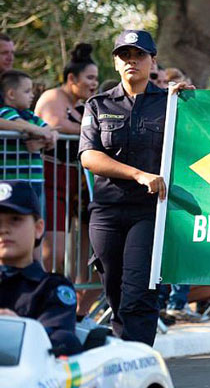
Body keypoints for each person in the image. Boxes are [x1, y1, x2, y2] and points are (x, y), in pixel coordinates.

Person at [79, 29, 182, 346]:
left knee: (138, 292)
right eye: (125, 56)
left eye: (139, 55)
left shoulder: (172, 103)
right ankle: (124, 360)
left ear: (153, 62)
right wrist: (137, 174)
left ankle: (136, 363)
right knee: (115, 294)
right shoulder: (98, 105)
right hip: (107, 212)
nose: (132, 61)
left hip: (149, 213)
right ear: (115, 62)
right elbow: (89, 156)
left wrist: (195, 102)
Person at [35, 43, 99, 281]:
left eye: (96, 79)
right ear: (72, 78)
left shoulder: (83, 104)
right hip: (51, 176)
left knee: (84, 250)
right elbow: (56, 124)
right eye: (89, 78)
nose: (94, 83)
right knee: (54, 252)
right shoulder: (53, 96)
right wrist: (90, 129)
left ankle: (77, 310)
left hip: (77, 181)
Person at [0, 181, 81, 355]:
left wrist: (19, 329)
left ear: (38, 228)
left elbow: (64, 340)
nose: (4, 229)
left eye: (15, 219)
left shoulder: (51, 288)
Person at [0, 71, 58, 201]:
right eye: (27, 91)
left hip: (35, 180)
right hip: (11, 182)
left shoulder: (30, 115)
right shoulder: (5, 112)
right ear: (11, 94)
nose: (32, 95)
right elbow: (20, 124)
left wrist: (48, 137)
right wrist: (40, 133)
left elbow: (49, 129)